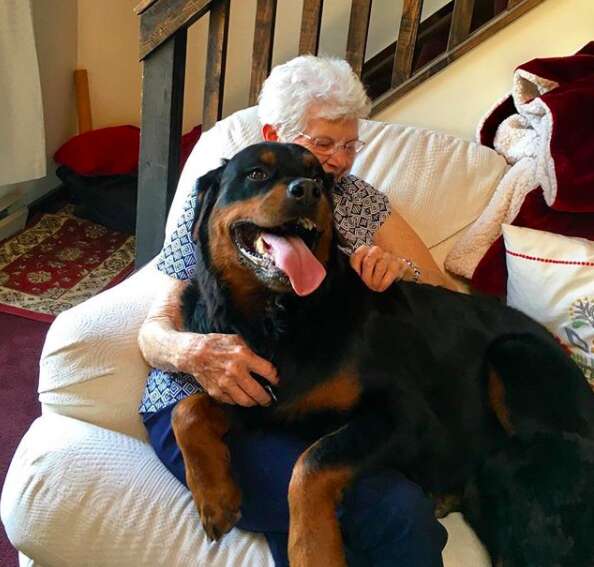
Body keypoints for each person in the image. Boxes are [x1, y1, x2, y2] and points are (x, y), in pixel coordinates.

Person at [138, 55, 453, 566]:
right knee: (393, 510)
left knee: (372, 506)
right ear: (271, 132)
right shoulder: (233, 189)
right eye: (323, 142)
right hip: (202, 407)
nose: (338, 161)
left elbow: (439, 287)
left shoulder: (355, 198)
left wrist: (399, 272)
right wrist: (196, 353)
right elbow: (154, 327)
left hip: (303, 406)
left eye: (350, 144)